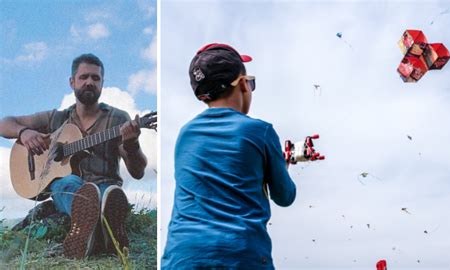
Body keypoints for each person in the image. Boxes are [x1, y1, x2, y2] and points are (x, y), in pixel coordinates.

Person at [162, 43, 296, 269]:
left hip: (181, 257)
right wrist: (280, 167)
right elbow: (285, 196)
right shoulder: (261, 131)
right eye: (251, 82)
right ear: (243, 84)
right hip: (240, 256)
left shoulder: (185, 134)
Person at [0, 53, 148, 259]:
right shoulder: (56, 118)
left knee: (106, 194)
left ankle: (89, 228)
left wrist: (132, 144)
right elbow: (4, 123)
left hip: (104, 186)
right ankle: (102, 230)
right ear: (72, 82)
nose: (89, 82)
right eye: (84, 77)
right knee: (65, 182)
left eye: (95, 78)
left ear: (102, 83)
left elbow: (138, 172)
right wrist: (24, 133)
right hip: (67, 189)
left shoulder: (118, 119)